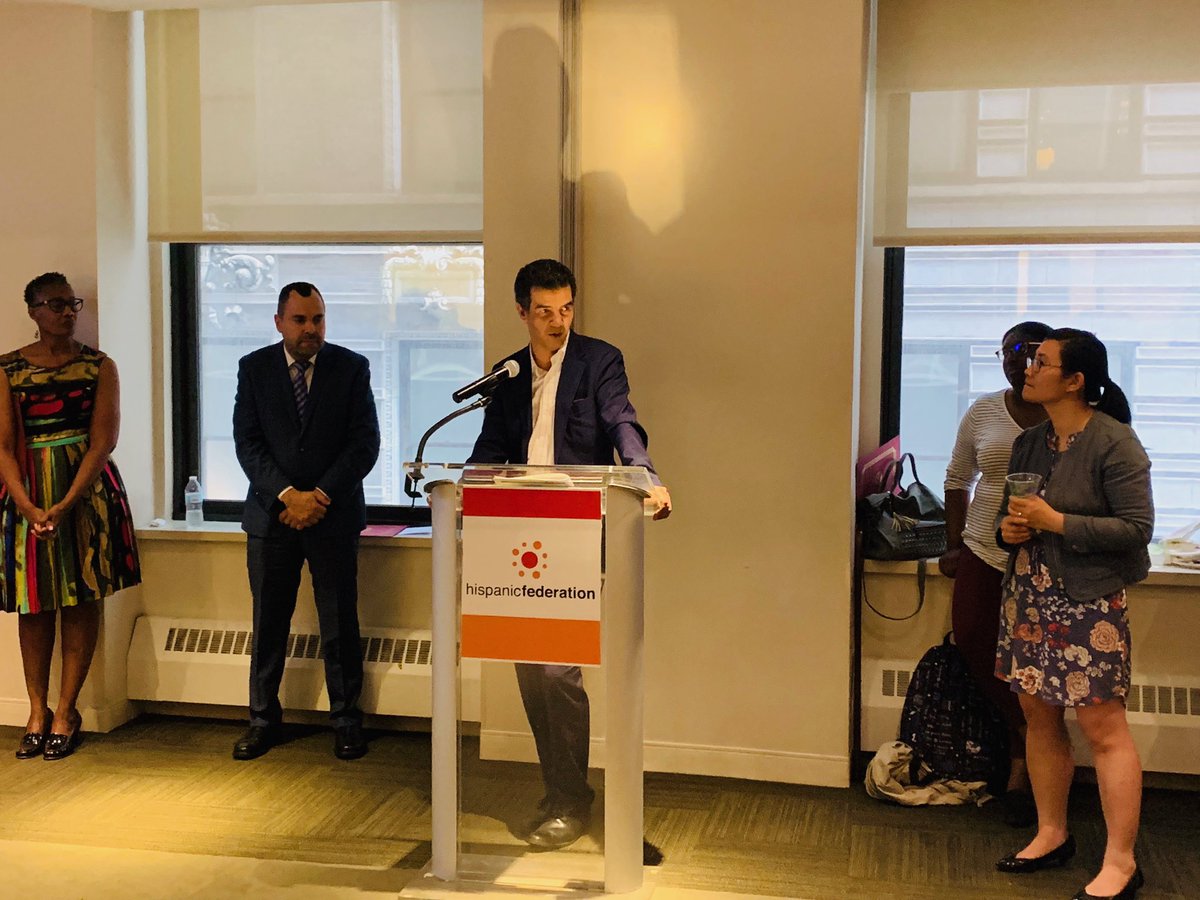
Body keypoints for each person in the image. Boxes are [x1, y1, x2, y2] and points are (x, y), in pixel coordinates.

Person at [467, 258, 671, 850]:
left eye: (566, 309)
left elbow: (623, 423)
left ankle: (570, 799)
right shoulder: (507, 375)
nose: (557, 322)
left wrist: (644, 475)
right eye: (544, 312)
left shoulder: (598, 361)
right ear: (522, 312)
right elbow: (490, 448)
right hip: (516, 533)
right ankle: (561, 789)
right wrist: (461, 486)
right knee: (529, 669)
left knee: (557, 668)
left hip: (575, 530)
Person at [993, 329, 1152, 900]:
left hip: (1089, 603)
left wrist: (1056, 522)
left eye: (1041, 362)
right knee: (1038, 716)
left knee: (1103, 729)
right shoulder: (1030, 441)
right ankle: (1051, 833)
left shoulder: (1116, 441)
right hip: (1029, 597)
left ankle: (1121, 862)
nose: (1027, 369)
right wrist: (1009, 531)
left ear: (1075, 380)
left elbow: (1137, 529)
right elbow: (1010, 518)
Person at [231, 281, 380, 762]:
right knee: (268, 623)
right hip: (271, 517)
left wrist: (318, 497)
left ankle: (347, 721)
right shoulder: (254, 368)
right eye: (299, 320)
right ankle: (261, 720)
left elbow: (364, 444)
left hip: (331, 515)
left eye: (317, 319)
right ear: (279, 322)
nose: (310, 329)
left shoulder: (351, 367)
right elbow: (248, 443)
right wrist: (287, 496)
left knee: (340, 623)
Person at [0, 272, 141, 761]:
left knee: (81, 596)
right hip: (27, 491)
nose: (67, 312)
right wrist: (27, 504)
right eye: (55, 304)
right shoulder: (8, 368)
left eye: (72, 303)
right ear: (33, 311)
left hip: (86, 491)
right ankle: (35, 711)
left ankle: (66, 711)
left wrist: (66, 502)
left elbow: (103, 441)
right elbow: (2, 446)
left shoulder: (99, 366)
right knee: (33, 602)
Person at [940, 321, 1051, 826]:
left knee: (1034, 662)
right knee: (973, 640)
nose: (1016, 360)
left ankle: (1030, 766)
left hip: (1044, 561)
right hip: (983, 551)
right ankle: (1023, 737)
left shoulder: (1066, 415)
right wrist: (953, 544)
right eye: (1007, 351)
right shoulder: (984, 410)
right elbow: (957, 478)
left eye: (1028, 351)